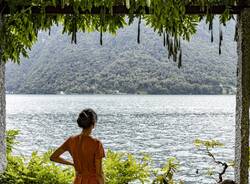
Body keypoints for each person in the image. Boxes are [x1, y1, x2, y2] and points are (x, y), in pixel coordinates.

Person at [50, 108, 105, 184]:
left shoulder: (71, 140)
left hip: (78, 180)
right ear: (93, 124)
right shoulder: (96, 143)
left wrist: (72, 164)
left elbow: (53, 157)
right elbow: (99, 173)